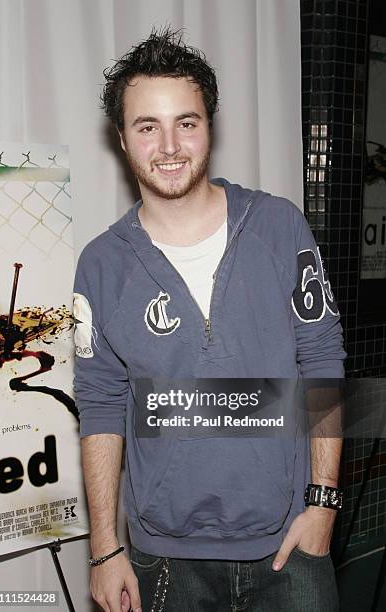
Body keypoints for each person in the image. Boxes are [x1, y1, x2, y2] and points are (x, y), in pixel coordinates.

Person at [73, 27, 346, 612]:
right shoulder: (101, 264)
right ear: (123, 139)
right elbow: (99, 401)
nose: (169, 145)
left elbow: (322, 361)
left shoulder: (279, 227)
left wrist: (324, 502)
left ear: (209, 128)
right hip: (163, 559)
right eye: (148, 126)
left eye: (187, 123)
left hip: (289, 546)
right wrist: (103, 546)